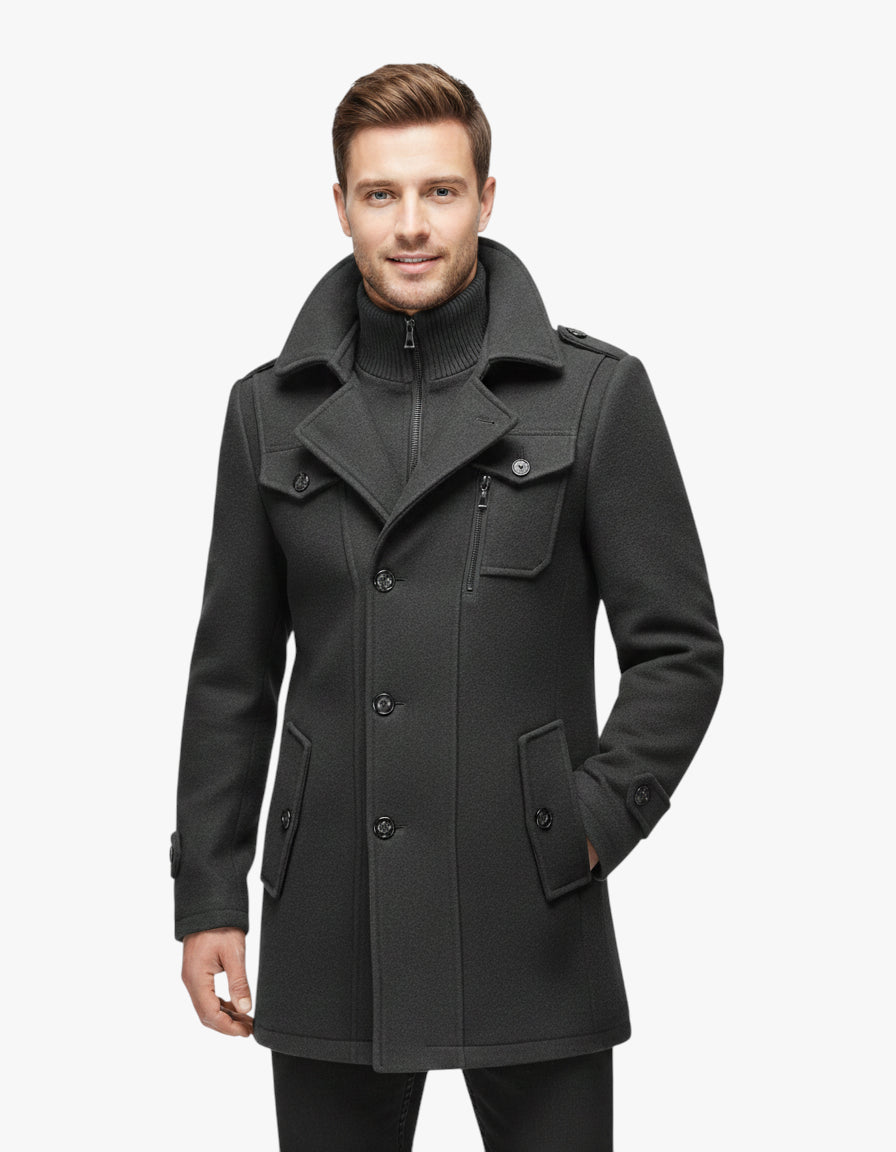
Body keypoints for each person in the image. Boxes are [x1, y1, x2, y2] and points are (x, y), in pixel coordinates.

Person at [171, 62, 724, 1151]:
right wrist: (209, 897)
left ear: (485, 198)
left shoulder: (593, 396)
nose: (411, 224)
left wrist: (586, 824)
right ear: (340, 205)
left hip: (530, 913)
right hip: (329, 911)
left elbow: (678, 650)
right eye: (381, 194)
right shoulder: (266, 412)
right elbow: (231, 673)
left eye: (440, 191)